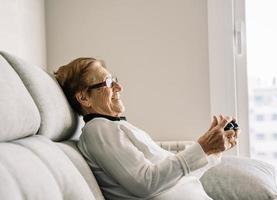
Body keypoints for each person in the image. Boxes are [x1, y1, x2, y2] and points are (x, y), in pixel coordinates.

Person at [54, 57, 240, 200]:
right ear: (84, 98)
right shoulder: (98, 130)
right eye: (108, 83)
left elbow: (175, 176)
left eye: (114, 80)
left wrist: (212, 151)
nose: (119, 87)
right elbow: (146, 183)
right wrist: (202, 147)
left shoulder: (114, 127)